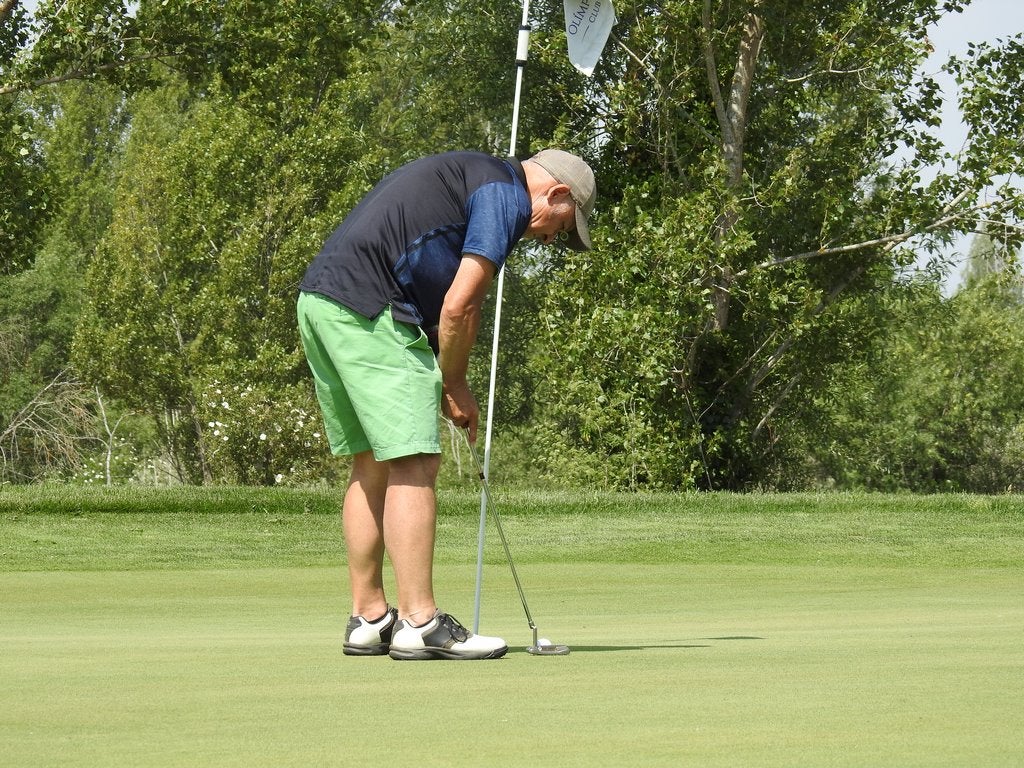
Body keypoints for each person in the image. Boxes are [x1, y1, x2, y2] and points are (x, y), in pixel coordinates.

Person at [296, 149, 596, 660]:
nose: (553, 238)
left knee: (370, 460)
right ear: (558, 194)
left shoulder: (474, 175)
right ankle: (421, 623)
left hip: (321, 301)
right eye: (564, 226)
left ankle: (369, 619)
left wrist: (440, 366)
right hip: (372, 310)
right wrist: (453, 383)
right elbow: (462, 304)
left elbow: (434, 291)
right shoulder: (505, 196)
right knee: (415, 461)